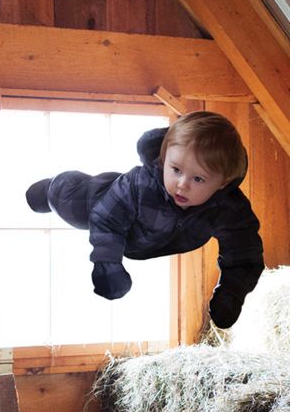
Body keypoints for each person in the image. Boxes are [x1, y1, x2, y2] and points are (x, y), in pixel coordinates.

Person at [25, 111, 263, 329]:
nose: (182, 184)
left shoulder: (229, 207)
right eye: (176, 169)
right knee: (71, 201)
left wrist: (231, 294)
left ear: (223, 182)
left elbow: (245, 253)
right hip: (105, 203)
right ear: (164, 156)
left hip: (156, 235)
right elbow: (107, 221)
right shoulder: (140, 184)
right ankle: (49, 191)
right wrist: (108, 267)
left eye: (198, 179)